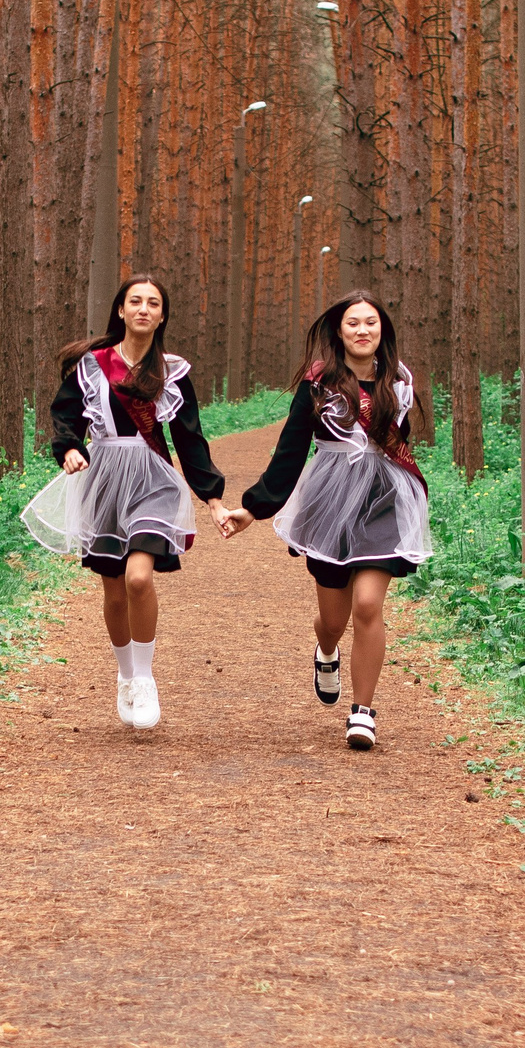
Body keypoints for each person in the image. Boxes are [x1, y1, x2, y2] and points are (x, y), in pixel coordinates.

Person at [21, 275, 236, 730]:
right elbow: (65, 416)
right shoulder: (92, 365)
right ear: (120, 310)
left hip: (153, 479)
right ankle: (125, 674)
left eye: (152, 302)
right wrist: (69, 449)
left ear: (162, 315)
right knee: (114, 586)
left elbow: (189, 438)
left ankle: (144, 678)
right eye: (134, 301)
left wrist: (213, 499)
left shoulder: (172, 371)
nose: (143, 308)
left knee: (140, 578)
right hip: (103, 478)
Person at [220, 291, 432, 751]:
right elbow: (292, 448)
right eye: (353, 323)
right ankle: (327, 651)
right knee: (334, 621)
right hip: (330, 502)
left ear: (382, 330)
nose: (362, 330)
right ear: (339, 330)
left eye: (371, 323)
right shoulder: (318, 383)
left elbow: (400, 443)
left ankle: (363, 713)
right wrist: (255, 507)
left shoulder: (399, 381)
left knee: (369, 606)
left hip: (382, 499)